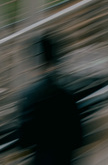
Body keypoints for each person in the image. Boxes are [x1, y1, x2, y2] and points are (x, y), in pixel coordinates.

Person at [16, 34, 85, 165]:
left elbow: (24, 140)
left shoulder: (30, 96)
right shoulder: (66, 92)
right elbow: (78, 138)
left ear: (32, 62)